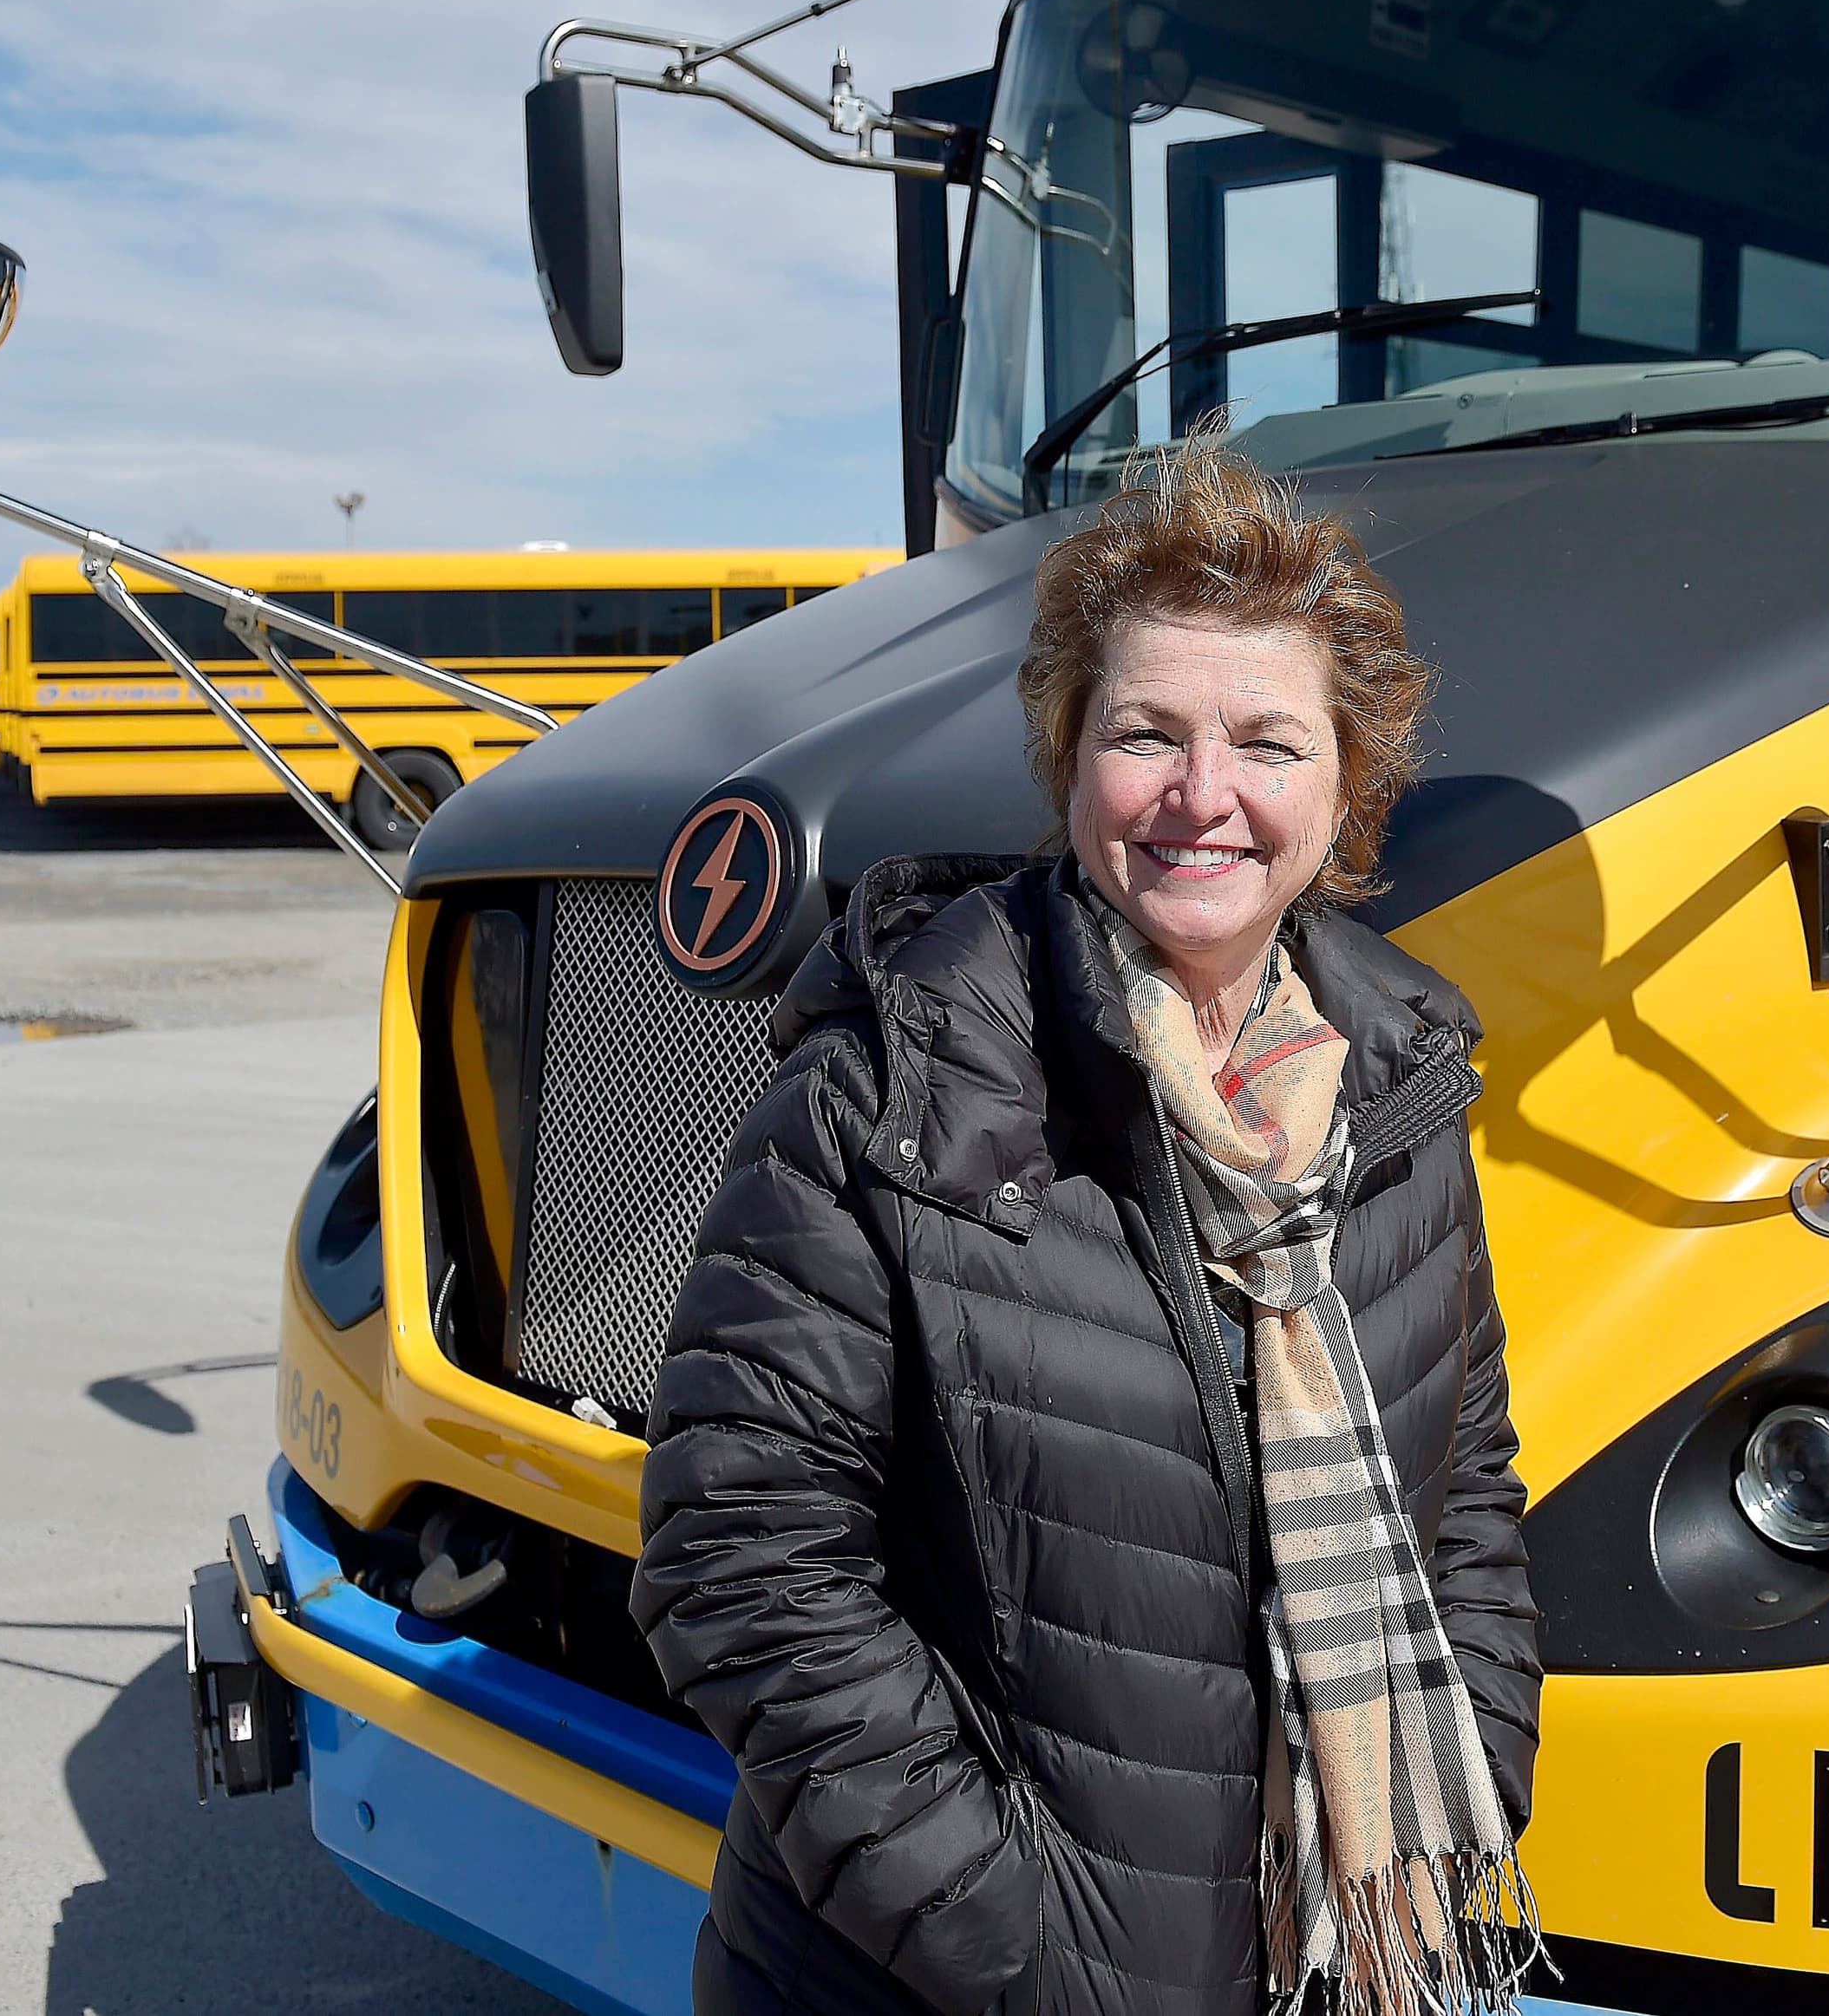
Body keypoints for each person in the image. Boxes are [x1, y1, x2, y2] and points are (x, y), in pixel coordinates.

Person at [635, 441, 1545, 2016]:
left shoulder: (1396, 1092)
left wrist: (1464, 1789)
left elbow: (1462, 1486)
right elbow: (738, 1553)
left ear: (1348, 787)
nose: (1206, 797)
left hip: (1337, 1959)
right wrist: (1034, 1943)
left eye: (1269, 740)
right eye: (1147, 734)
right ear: (1070, 762)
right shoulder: (899, 1083)